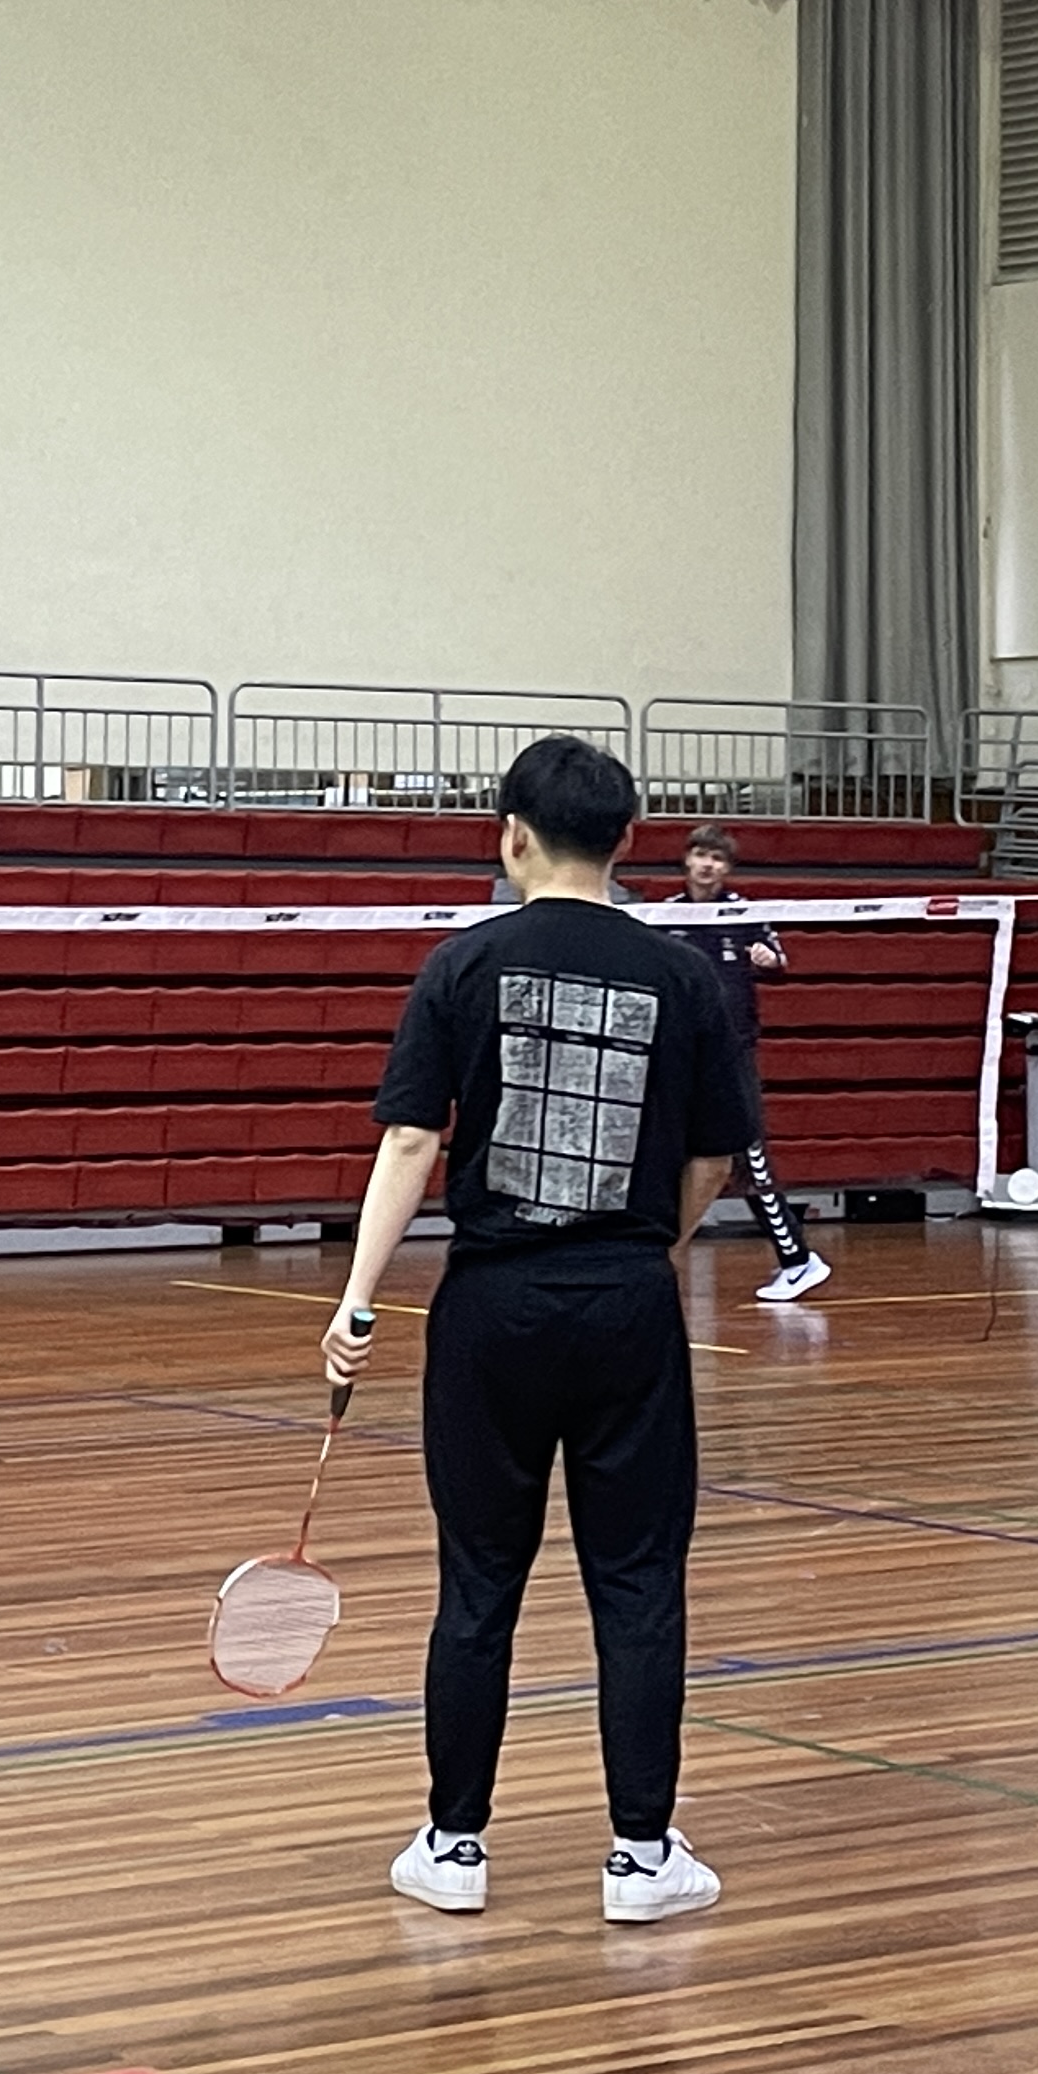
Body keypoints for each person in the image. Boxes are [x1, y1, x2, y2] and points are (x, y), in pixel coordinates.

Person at [328, 738, 752, 1924]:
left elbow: (411, 1140)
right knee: (638, 1582)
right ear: (630, 840)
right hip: (626, 1308)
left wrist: (356, 1301)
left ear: (510, 835)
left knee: (478, 1581)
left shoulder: (461, 963)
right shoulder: (681, 977)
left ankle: (454, 1846)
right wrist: (645, 1253)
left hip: (490, 1310)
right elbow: (714, 1159)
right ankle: (642, 1858)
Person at [676, 824, 829, 1305]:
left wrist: (768, 958)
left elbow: (779, 959)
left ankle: (798, 1259)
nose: (708, 865)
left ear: (727, 868)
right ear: (687, 860)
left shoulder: (745, 914)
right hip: (684, 1055)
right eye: (701, 855)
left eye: (717, 859)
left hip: (733, 1052)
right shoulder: (665, 914)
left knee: (750, 1157)